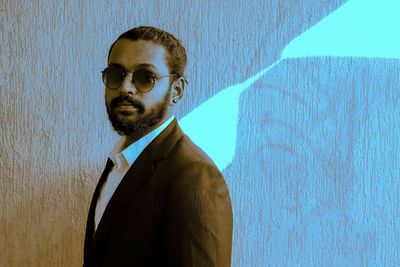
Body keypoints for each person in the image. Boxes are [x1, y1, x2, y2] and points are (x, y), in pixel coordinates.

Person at [83, 26, 233, 267]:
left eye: (145, 78)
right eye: (116, 74)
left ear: (177, 90)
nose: (125, 88)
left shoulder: (195, 176)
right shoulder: (119, 162)